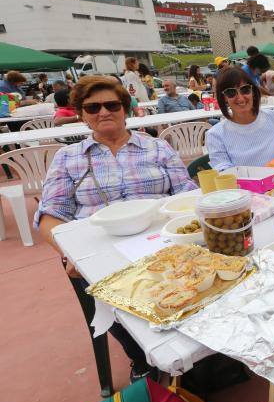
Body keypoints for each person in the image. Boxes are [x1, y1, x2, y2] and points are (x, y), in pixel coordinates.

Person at [36, 75, 196, 382]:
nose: (103, 112)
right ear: (81, 115)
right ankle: (141, 356)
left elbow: (186, 195)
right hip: (102, 251)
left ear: (125, 109)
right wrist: (72, 253)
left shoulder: (157, 148)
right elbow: (50, 216)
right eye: (92, 107)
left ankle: (190, 347)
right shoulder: (69, 158)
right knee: (105, 290)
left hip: (162, 241)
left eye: (111, 104)